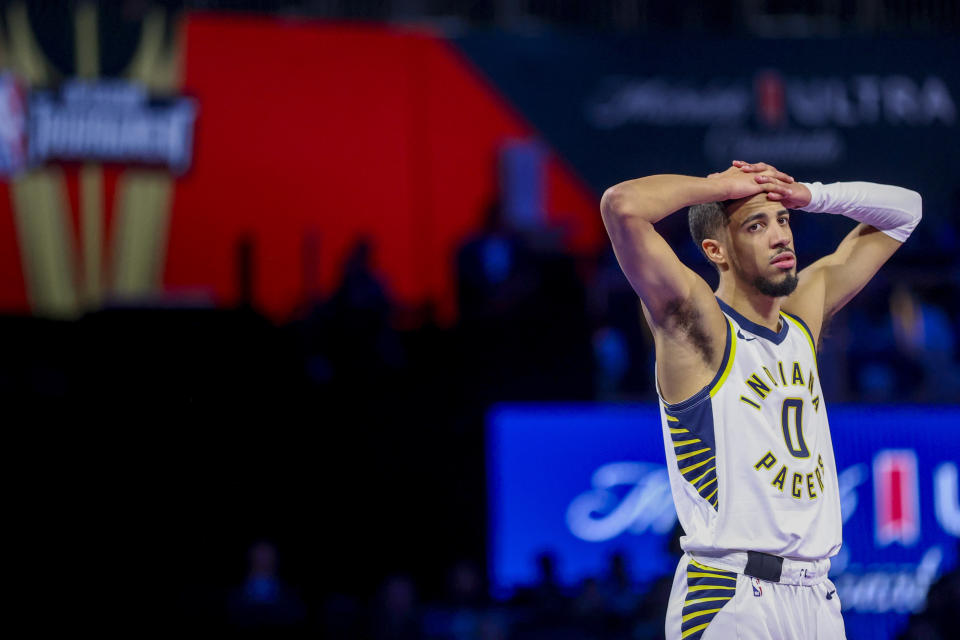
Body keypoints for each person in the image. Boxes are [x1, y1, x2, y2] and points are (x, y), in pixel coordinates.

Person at [600, 160, 921, 640]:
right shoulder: (698, 325)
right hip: (729, 593)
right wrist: (720, 187)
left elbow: (906, 211)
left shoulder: (801, 317)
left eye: (783, 221)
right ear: (717, 250)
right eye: (756, 225)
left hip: (817, 596)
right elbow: (621, 206)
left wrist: (808, 194)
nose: (780, 236)